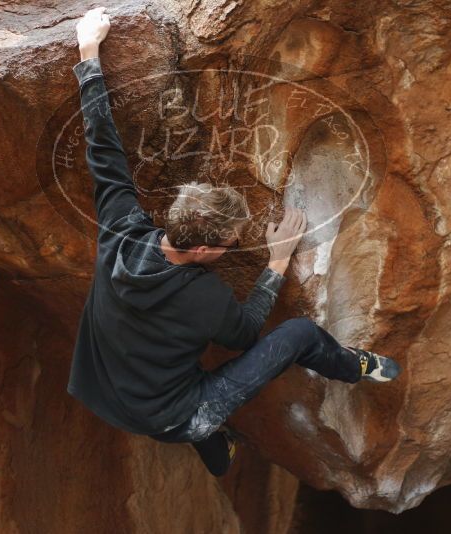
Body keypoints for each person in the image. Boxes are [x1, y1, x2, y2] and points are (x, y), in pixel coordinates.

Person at [67, 7, 402, 477]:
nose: (231, 247)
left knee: (181, 375)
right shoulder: (203, 295)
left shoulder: (120, 229)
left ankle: (212, 443)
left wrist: (88, 52)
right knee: (301, 334)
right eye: (228, 242)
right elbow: (245, 335)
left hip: (105, 393)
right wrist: (278, 263)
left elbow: (101, 146)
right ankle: (353, 366)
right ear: (203, 251)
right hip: (174, 414)